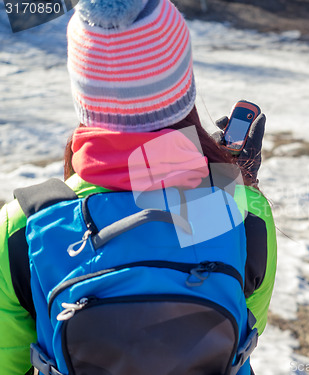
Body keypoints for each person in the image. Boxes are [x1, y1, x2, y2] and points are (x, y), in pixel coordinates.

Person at [0, 0, 277, 373]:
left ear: (83, 96)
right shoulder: (242, 210)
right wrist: (235, 181)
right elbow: (242, 335)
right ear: (184, 90)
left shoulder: (23, 226)